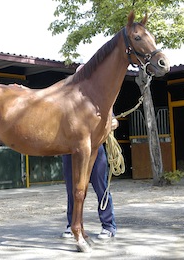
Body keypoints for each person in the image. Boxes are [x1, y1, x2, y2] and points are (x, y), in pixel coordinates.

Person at [61, 64, 118, 239]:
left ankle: (108, 225)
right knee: (73, 188)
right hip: (70, 150)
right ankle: (72, 223)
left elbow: (112, 120)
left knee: (101, 187)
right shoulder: (67, 98)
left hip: (93, 149)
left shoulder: (98, 99)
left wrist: (112, 124)